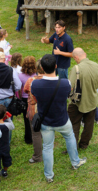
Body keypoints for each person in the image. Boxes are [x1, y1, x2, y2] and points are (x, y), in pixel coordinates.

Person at [31, 54, 86, 183]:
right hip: (62, 119)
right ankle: (75, 162)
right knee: (70, 137)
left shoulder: (35, 84)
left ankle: (49, 175)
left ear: (42, 68)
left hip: (45, 121)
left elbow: (34, 99)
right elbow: (67, 96)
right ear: (56, 66)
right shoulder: (65, 83)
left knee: (48, 147)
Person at [68, 48, 98, 150]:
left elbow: (70, 86)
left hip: (77, 102)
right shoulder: (96, 65)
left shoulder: (76, 68)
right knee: (89, 124)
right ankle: (84, 145)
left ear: (76, 57)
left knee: (74, 124)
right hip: (92, 101)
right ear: (85, 54)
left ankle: (72, 146)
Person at [23, 59, 44, 163]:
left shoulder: (31, 80)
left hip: (33, 110)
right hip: (47, 110)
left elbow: (25, 90)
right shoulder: (50, 80)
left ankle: (37, 156)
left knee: (36, 133)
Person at [0, 105, 13, 184]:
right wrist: (8, 118)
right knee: (6, 159)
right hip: (5, 147)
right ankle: (4, 172)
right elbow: (12, 126)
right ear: (5, 114)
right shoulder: (7, 125)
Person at [18, 56, 36, 144]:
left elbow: (19, 88)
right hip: (35, 98)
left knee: (27, 119)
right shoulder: (37, 74)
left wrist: (20, 98)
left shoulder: (20, 75)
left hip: (25, 99)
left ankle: (28, 138)